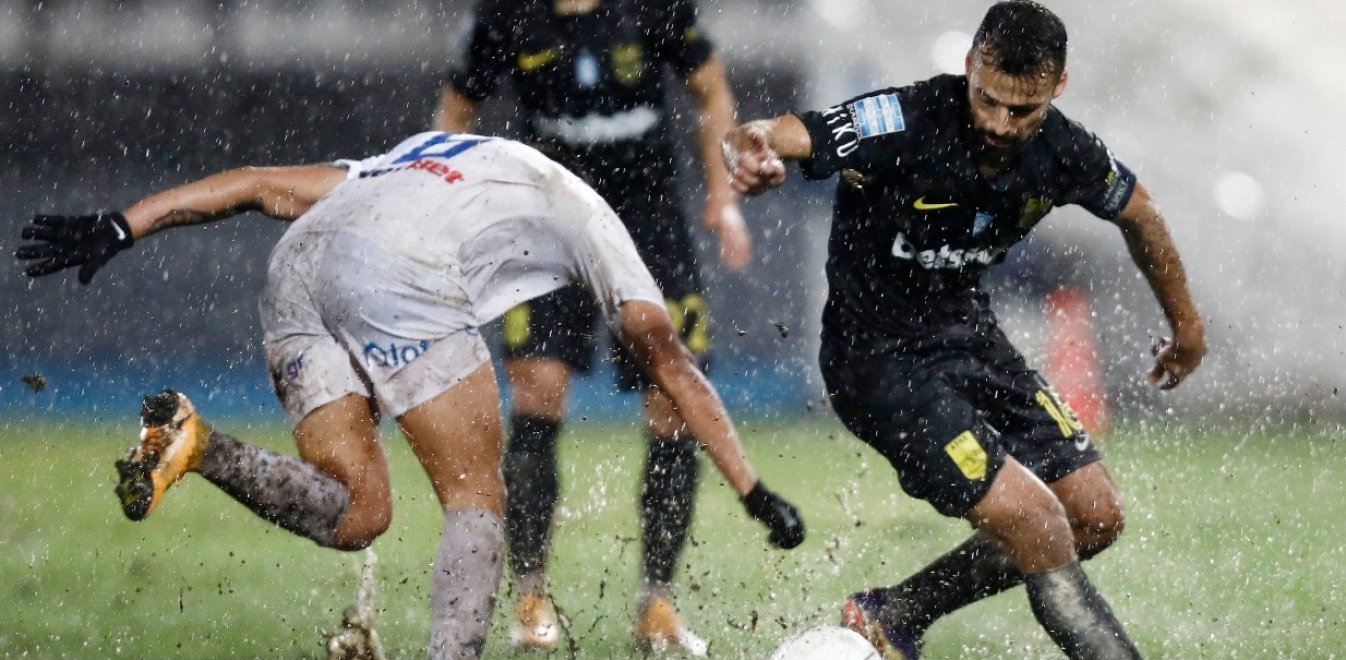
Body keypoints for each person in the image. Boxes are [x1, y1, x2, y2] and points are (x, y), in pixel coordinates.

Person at [16, 131, 804, 659]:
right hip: (399, 274)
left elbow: (258, 185)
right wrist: (752, 489)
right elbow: (671, 365)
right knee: (476, 497)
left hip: (297, 268)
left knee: (358, 513)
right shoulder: (595, 221)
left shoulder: (431, 153)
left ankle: (198, 444)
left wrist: (123, 226)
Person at [722, 2, 1205, 658]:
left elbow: (1140, 211)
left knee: (1094, 515)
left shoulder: (1066, 151)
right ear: (971, 64)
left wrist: (1186, 325)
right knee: (1037, 523)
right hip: (877, 362)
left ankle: (894, 614)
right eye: (988, 100)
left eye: (1023, 110)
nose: (1001, 124)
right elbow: (782, 133)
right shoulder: (903, 119)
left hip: (969, 338)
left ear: (1057, 87)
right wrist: (749, 148)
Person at [433, 0, 749, 652]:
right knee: (536, 389)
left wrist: (723, 196)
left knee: (672, 402)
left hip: (649, 222)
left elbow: (711, 86)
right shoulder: (507, 15)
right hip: (546, 223)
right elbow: (457, 110)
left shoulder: (654, 6)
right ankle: (530, 596)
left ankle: (656, 604)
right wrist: (446, 207)